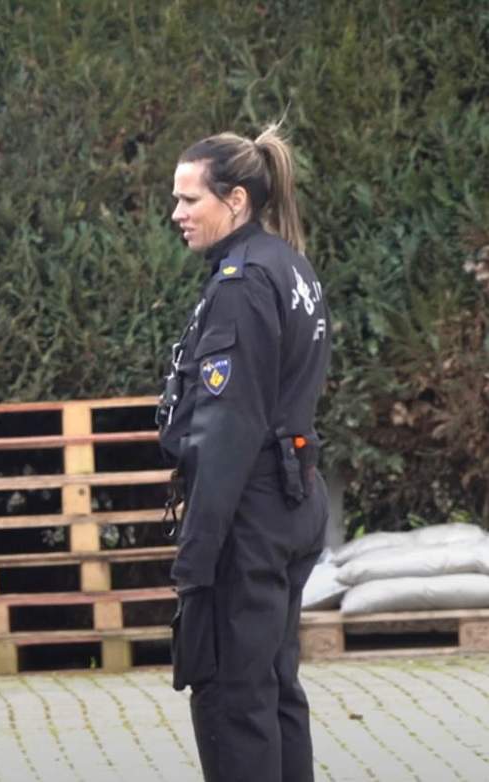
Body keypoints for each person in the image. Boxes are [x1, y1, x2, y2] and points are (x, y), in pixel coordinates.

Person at [156, 125, 332, 782]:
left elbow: (226, 432)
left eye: (189, 199)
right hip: (291, 500)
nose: (177, 213)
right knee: (274, 691)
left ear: (235, 200)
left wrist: (195, 559)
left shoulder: (241, 284)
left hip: (248, 515)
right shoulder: (290, 266)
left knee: (234, 699)